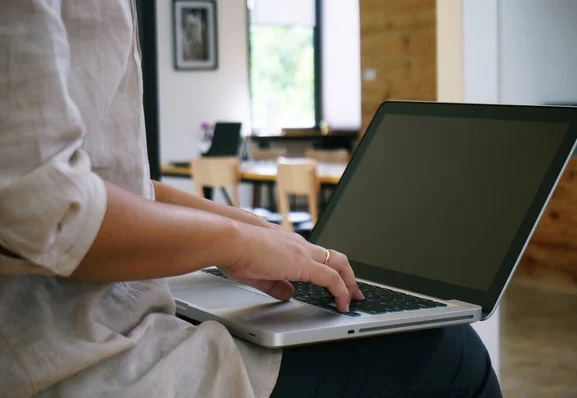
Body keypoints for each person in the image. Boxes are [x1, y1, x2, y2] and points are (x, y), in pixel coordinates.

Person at [0, 1, 502, 397]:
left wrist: (255, 230)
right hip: (73, 361)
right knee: (453, 355)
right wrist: (233, 243)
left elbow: (115, 180)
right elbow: (49, 209)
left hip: (94, 321)